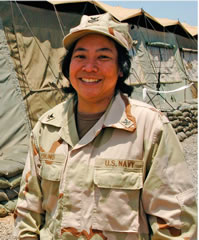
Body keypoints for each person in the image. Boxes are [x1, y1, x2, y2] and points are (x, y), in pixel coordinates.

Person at [14, 13, 197, 240]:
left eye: (103, 57)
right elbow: (28, 211)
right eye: (80, 56)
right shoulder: (47, 127)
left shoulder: (150, 128)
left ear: (121, 68)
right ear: (68, 65)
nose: (90, 67)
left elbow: (175, 224)